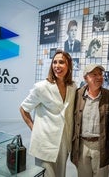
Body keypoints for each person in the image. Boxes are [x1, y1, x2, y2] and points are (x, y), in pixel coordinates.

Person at [19, 49, 77, 177]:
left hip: (63, 142)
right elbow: (23, 108)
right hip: (44, 142)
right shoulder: (41, 87)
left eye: (61, 62)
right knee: (46, 175)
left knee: (60, 174)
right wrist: (33, 128)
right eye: (54, 62)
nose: (57, 66)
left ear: (69, 66)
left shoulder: (72, 87)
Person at [71, 64, 109, 177]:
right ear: (85, 78)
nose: (99, 77)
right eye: (94, 74)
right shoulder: (77, 95)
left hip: (101, 147)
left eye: (100, 74)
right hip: (82, 145)